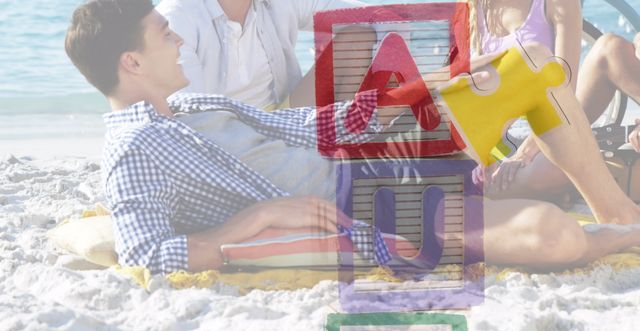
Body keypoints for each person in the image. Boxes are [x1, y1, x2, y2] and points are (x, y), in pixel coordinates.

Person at [65, 0, 640, 275]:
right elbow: (145, 253)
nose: (179, 41)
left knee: (529, 63)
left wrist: (422, 89)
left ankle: (615, 210)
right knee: (556, 238)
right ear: (132, 62)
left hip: (375, 156)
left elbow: (309, 123)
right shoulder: (132, 154)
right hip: (374, 206)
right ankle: (610, 229)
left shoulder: (195, 103)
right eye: (164, 36)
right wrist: (257, 219)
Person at [469, 0, 640, 201]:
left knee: (610, 48)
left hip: (552, 126)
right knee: (474, 179)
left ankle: (572, 183)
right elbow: (468, 100)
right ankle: (599, 176)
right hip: (500, 144)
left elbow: (563, 96)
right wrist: (480, 157)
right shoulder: (474, 7)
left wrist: (525, 153)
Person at [155, 0, 364, 109]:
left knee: (358, 37)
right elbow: (193, 118)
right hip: (224, 138)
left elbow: (374, 17)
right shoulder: (176, 19)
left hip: (284, 119)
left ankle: (340, 150)